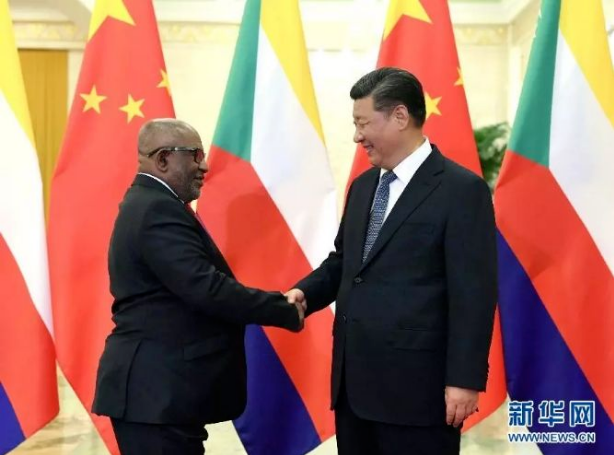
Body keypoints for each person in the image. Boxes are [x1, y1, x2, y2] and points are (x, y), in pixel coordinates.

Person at [286, 68, 497, 455]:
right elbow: (347, 263)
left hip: (419, 392)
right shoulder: (363, 186)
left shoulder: (462, 190)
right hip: (354, 388)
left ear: (400, 116)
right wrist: (304, 293)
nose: (357, 136)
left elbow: (474, 294)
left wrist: (464, 380)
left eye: (363, 123)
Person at [92, 118, 304, 455]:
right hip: (155, 395)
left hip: (161, 397)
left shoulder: (151, 203)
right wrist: (283, 308)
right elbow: (205, 288)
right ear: (163, 159)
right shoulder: (156, 208)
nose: (204, 166)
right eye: (194, 155)